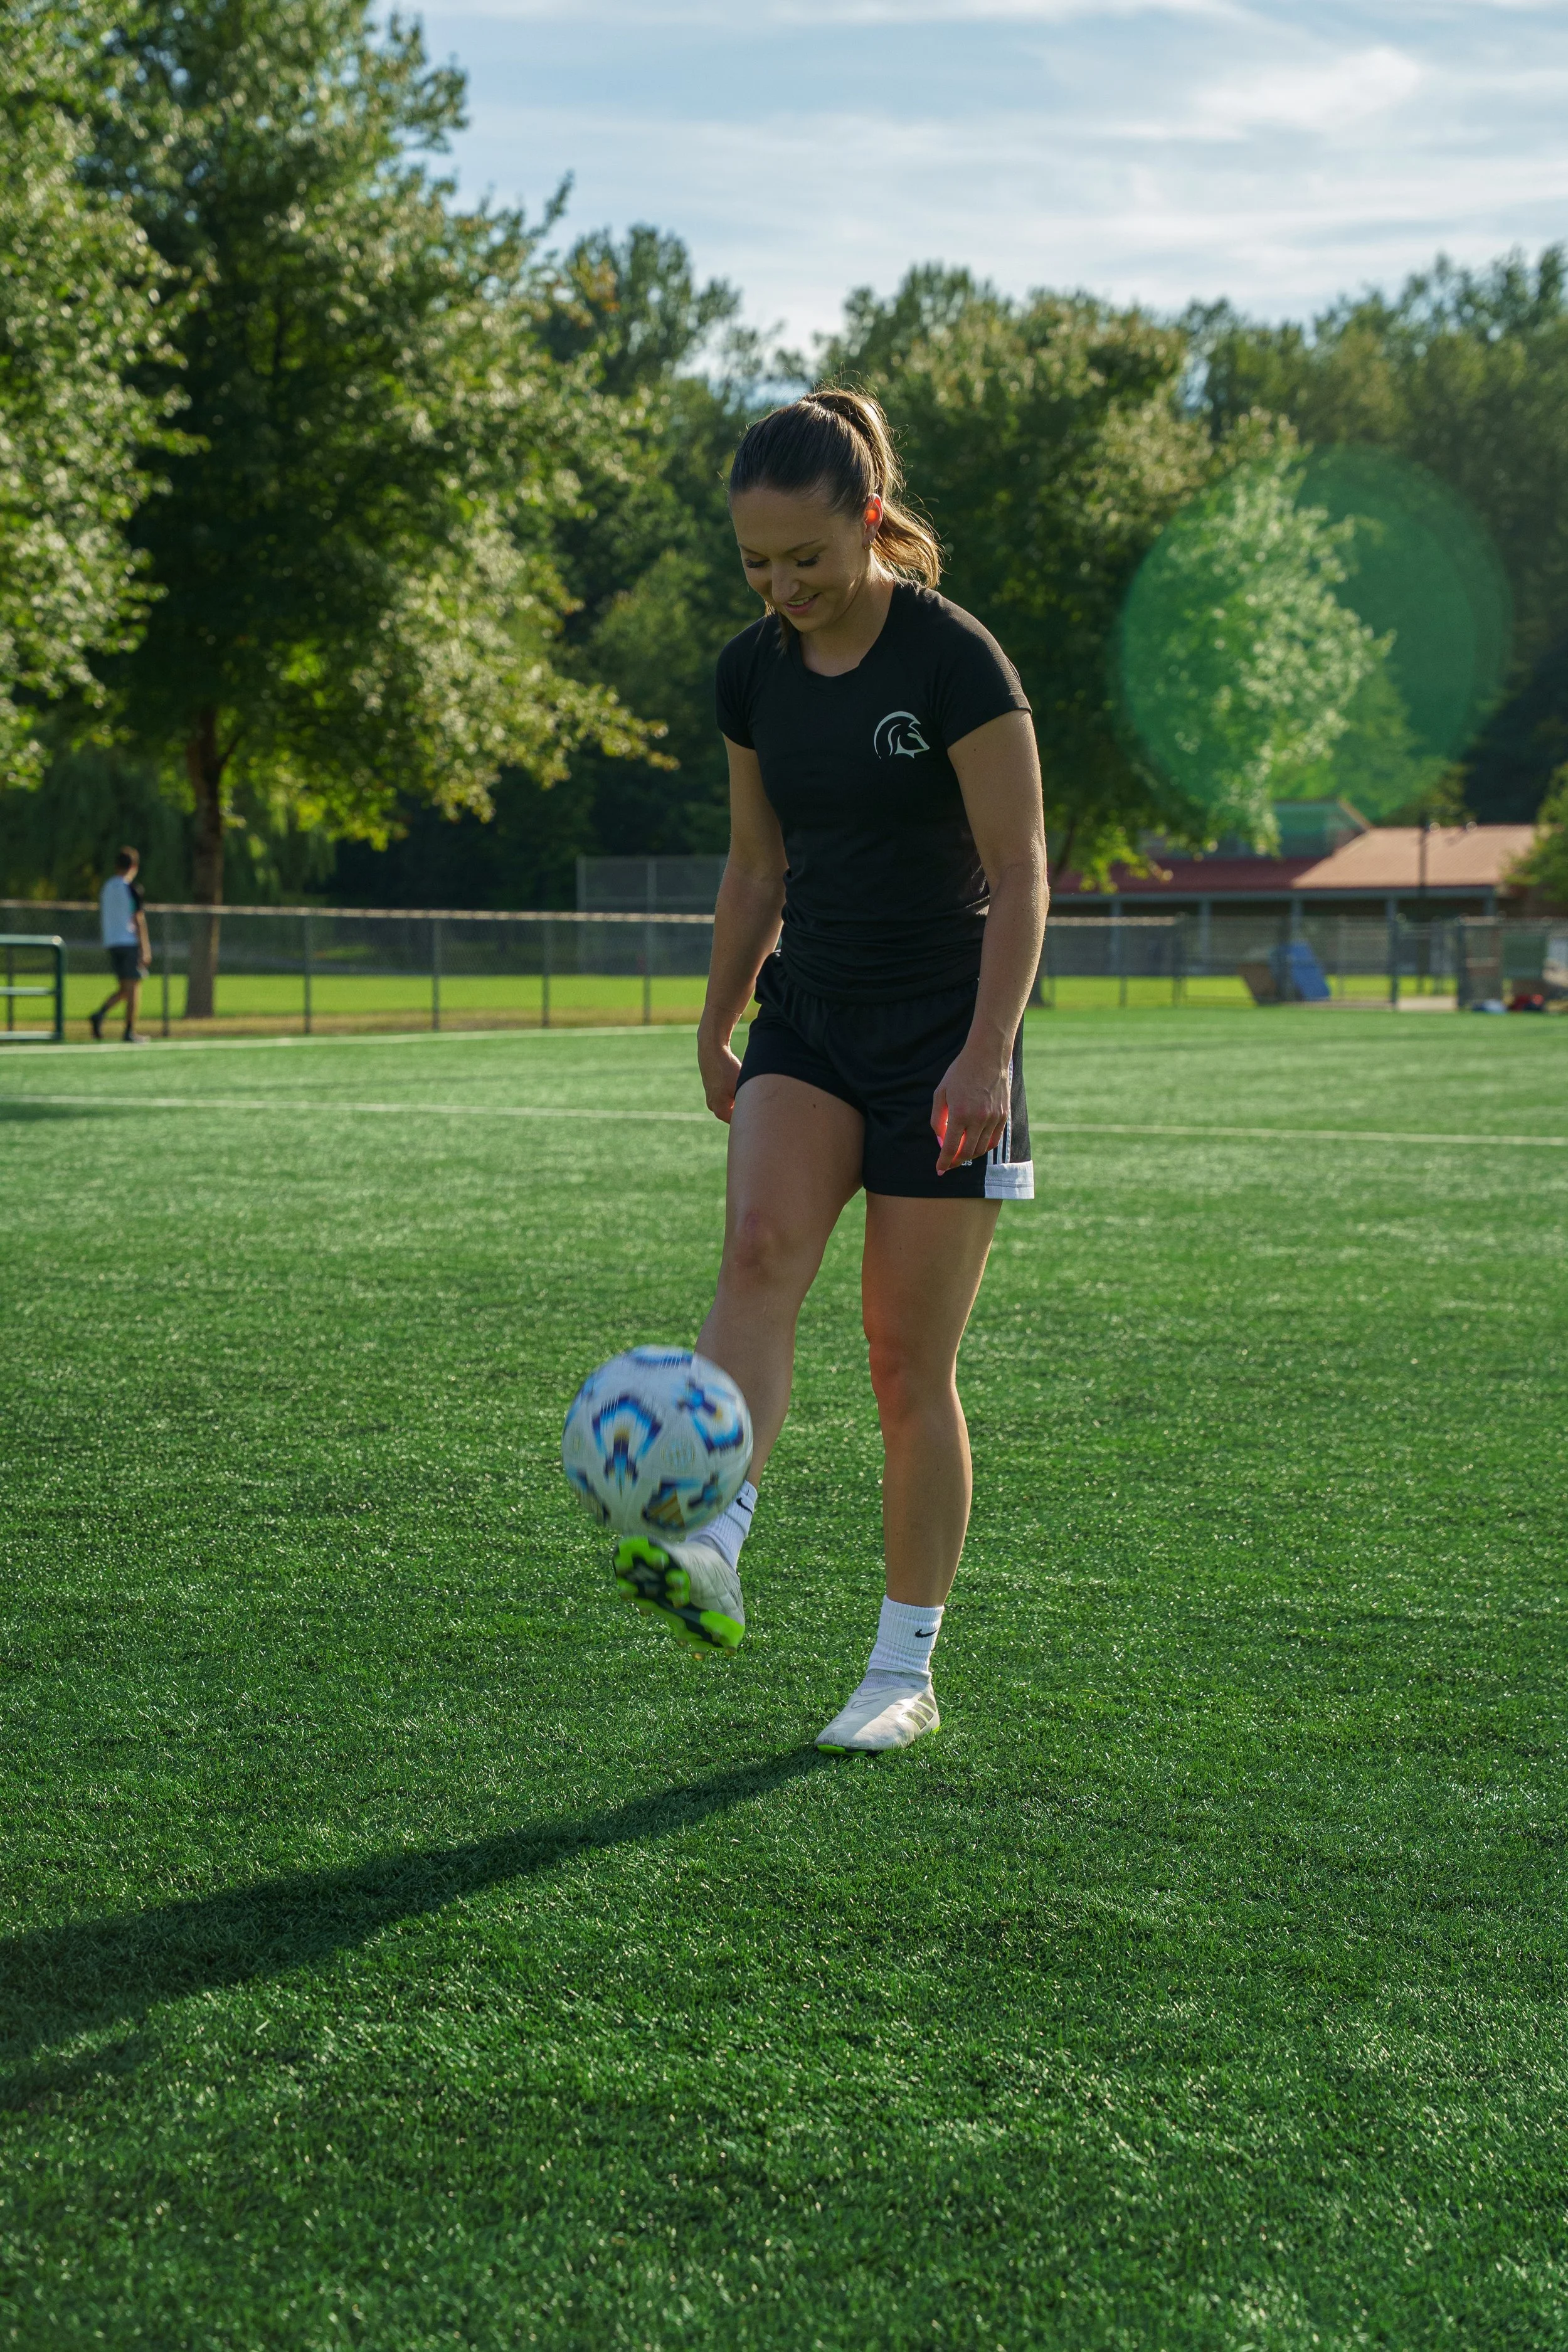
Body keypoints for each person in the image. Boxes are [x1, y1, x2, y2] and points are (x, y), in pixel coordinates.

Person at [613, 388, 1048, 1754]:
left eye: (804, 558)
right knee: (754, 1256)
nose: (780, 587)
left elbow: (1024, 873)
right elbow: (757, 866)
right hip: (811, 1013)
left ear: (867, 523)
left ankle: (900, 1670)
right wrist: (713, 1021)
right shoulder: (749, 672)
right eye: (755, 563)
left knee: (904, 1365)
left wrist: (985, 1056)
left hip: (945, 1037)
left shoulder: (954, 663)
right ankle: (708, 1533)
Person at [90, 847, 152, 1043]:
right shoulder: (131, 889)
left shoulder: (107, 887)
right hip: (128, 942)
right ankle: (129, 1031)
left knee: (125, 988)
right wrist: (145, 948)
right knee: (134, 987)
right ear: (134, 867)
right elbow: (138, 919)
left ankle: (99, 1015)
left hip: (111, 941)